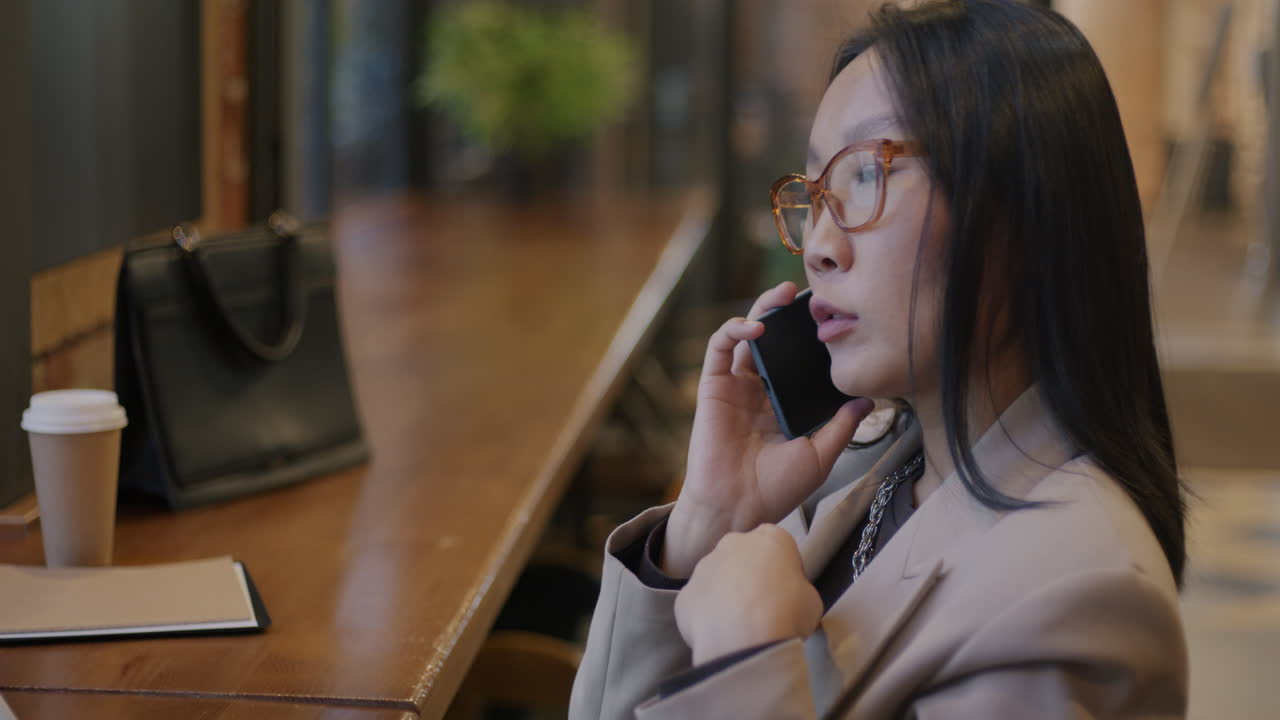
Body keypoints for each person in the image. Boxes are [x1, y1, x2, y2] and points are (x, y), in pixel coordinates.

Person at [569, 0, 1189, 717]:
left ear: (1024, 206)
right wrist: (706, 523)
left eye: (865, 174)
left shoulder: (1083, 594)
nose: (819, 247)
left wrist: (747, 659)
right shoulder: (865, 467)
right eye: (816, 194)